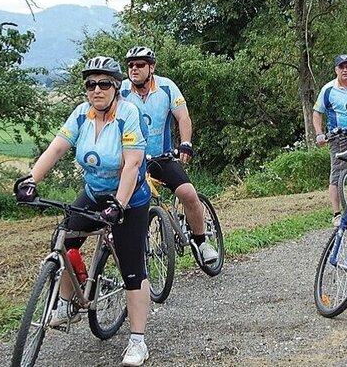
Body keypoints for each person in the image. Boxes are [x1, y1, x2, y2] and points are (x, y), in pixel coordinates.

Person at [14, 56, 152, 366]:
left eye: (104, 83)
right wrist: (31, 180)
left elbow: (132, 164)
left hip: (129, 197)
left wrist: (120, 204)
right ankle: (66, 301)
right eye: (91, 84)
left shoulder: (129, 114)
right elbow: (57, 148)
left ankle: (137, 340)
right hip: (92, 192)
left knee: (132, 271)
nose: (97, 89)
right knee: (64, 241)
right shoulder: (81, 115)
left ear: (116, 87)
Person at [120, 46, 219, 264]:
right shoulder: (121, 91)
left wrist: (185, 143)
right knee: (125, 205)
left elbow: (183, 117)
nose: (134, 69)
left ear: (151, 67)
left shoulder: (166, 87)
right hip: (131, 161)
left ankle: (202, 243)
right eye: (130, 65)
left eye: (139, 65)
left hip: (162, 158)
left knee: (189, 194)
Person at [313, 54, 347, 225]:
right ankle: (337, 213)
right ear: (336, 70)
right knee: (337, 173)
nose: (345, 70)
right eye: (341, 67)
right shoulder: (328, 89)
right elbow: (317, 113)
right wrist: (319, 134)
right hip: (339, 135)